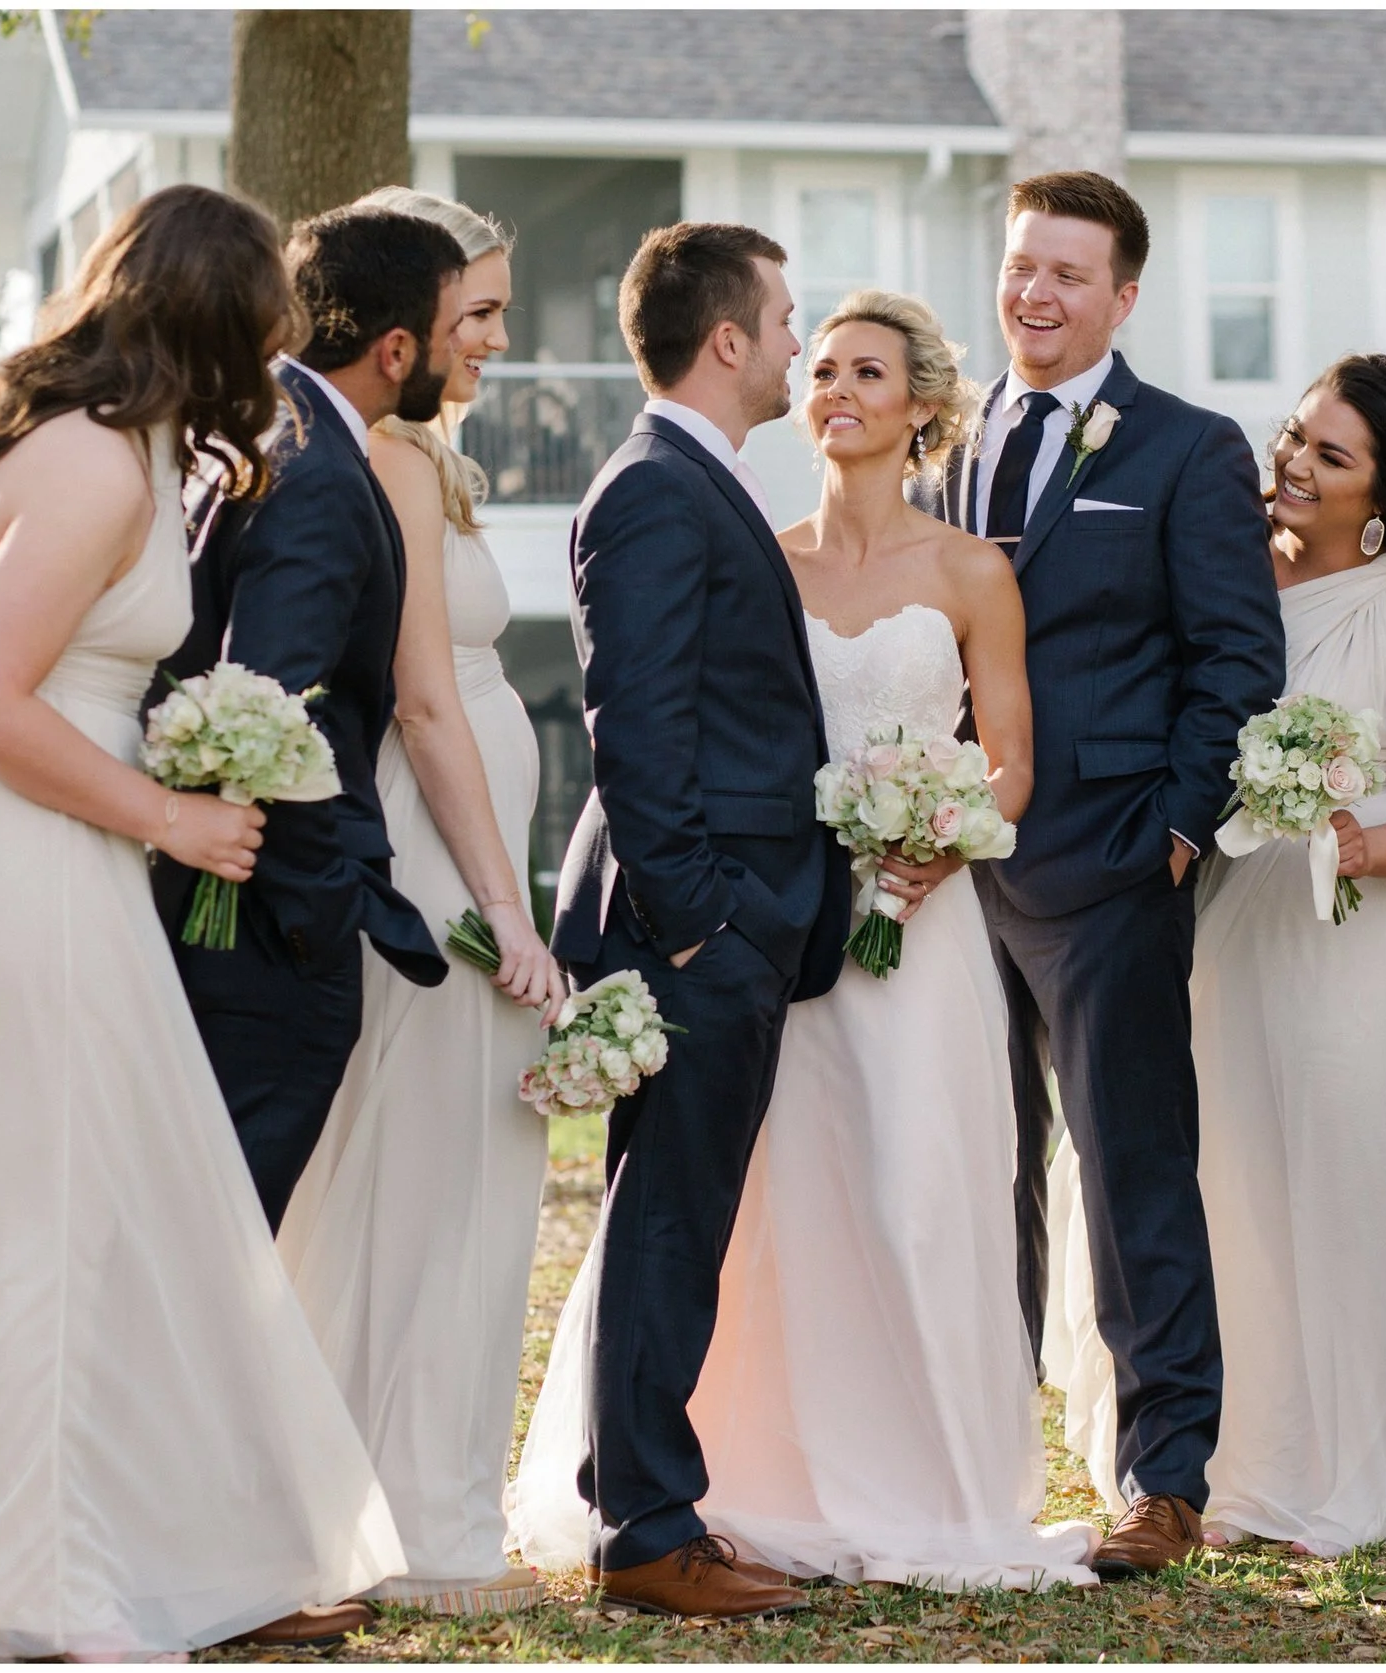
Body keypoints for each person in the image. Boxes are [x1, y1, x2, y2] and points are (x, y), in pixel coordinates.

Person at [0, 185, 405, 1663]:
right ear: (218, 318)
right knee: (36, 1218)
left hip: (37, 848)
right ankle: (23, 1580)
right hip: (16, 856)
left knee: (47, 1210)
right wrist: (170, 815)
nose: (276, 352)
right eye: (264, 322)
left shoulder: (102, 445)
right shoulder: (94, 464)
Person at [515, 292, 1097, 1592]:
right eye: (821, 363)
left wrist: (945, 833)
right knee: (769, 1201)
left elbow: (1010, 761)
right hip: (773, 919)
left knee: (915, 1193)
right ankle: (753, 1472)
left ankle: (920, 1481)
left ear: (922, 405)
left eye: (867, 371)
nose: (833, 386)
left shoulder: (972, 571)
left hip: (915, 928)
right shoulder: (759, 555)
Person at [1043, 355, 1386, 1558]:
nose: (1292, 462)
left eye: (1329, 455)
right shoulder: (1221, 569)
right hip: (1221, 921)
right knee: (1217, 1177)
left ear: (1383, 490)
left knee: (1337, 1187)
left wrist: (1356, 840)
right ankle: (1201, 1462)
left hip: (1356, 935)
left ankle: (1330, 1476)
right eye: (1293, 435)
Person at [920, 170, 1284, 1578]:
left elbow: (1236, 657)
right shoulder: (944, 444)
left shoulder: (1189, 449)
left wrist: (1176, 829)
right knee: (972, 1167)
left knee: (1135, 1175)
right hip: (947, 871)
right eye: (1022, 265)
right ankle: (976, 1462)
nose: (1036, 293)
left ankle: (1163, 1476)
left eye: (1068, 273)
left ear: (1123, 297)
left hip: (1113, 865)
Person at [532, 222, 852, 1620]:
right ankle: (646, 1531)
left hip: (727, 926)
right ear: (727, 339)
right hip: (696, 935)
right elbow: (638, 732)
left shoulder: (694, 478)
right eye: (783, 320)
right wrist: (698, 929)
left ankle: (648, 1499)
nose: (796, 342)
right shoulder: (655, 490)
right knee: (666, 1225)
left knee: (678, 1224)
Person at [274, 186, 566, 1617]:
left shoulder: (424, 457)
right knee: (426, 1166)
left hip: (473, 844)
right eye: (478, 313)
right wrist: (508, 909)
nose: (497, 339)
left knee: (463, 1169)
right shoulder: (380, 461)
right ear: (408, 324)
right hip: (439, 854)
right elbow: (426, 701)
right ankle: (408, 1524)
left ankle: (412, 1498)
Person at [153, 204, 467, 1231]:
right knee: (223, 1231)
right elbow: (267, 709)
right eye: (454, 326)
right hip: (265, 934)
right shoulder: (318, 473)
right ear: (396, 349)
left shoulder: (259, 433)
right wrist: (317, 909)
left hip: (238, 914)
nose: (466, 346)